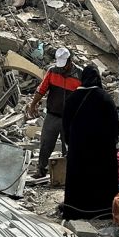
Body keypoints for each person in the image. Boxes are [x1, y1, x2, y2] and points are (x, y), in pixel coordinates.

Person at [61, 65, 119, 219]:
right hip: (102, 149)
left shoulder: (72, 98)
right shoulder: (104, 97)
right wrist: (114, 142)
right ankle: (104, 210)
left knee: (79, 178)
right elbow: (114, 124)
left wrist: (70, 142)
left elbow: (65, 125)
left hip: (78, 148)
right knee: (101, 177)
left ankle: (75, 210)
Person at [26, 47, 81, 179]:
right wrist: (33, 104)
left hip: (70, 118)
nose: (62, 68)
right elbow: (42, 89)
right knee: (46, 143)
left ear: (70, 61)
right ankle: (41, 169)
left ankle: (68, 174)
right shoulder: (52, 71)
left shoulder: (80, 74)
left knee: (68, 147)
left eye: (65, 65)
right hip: (52, 114)